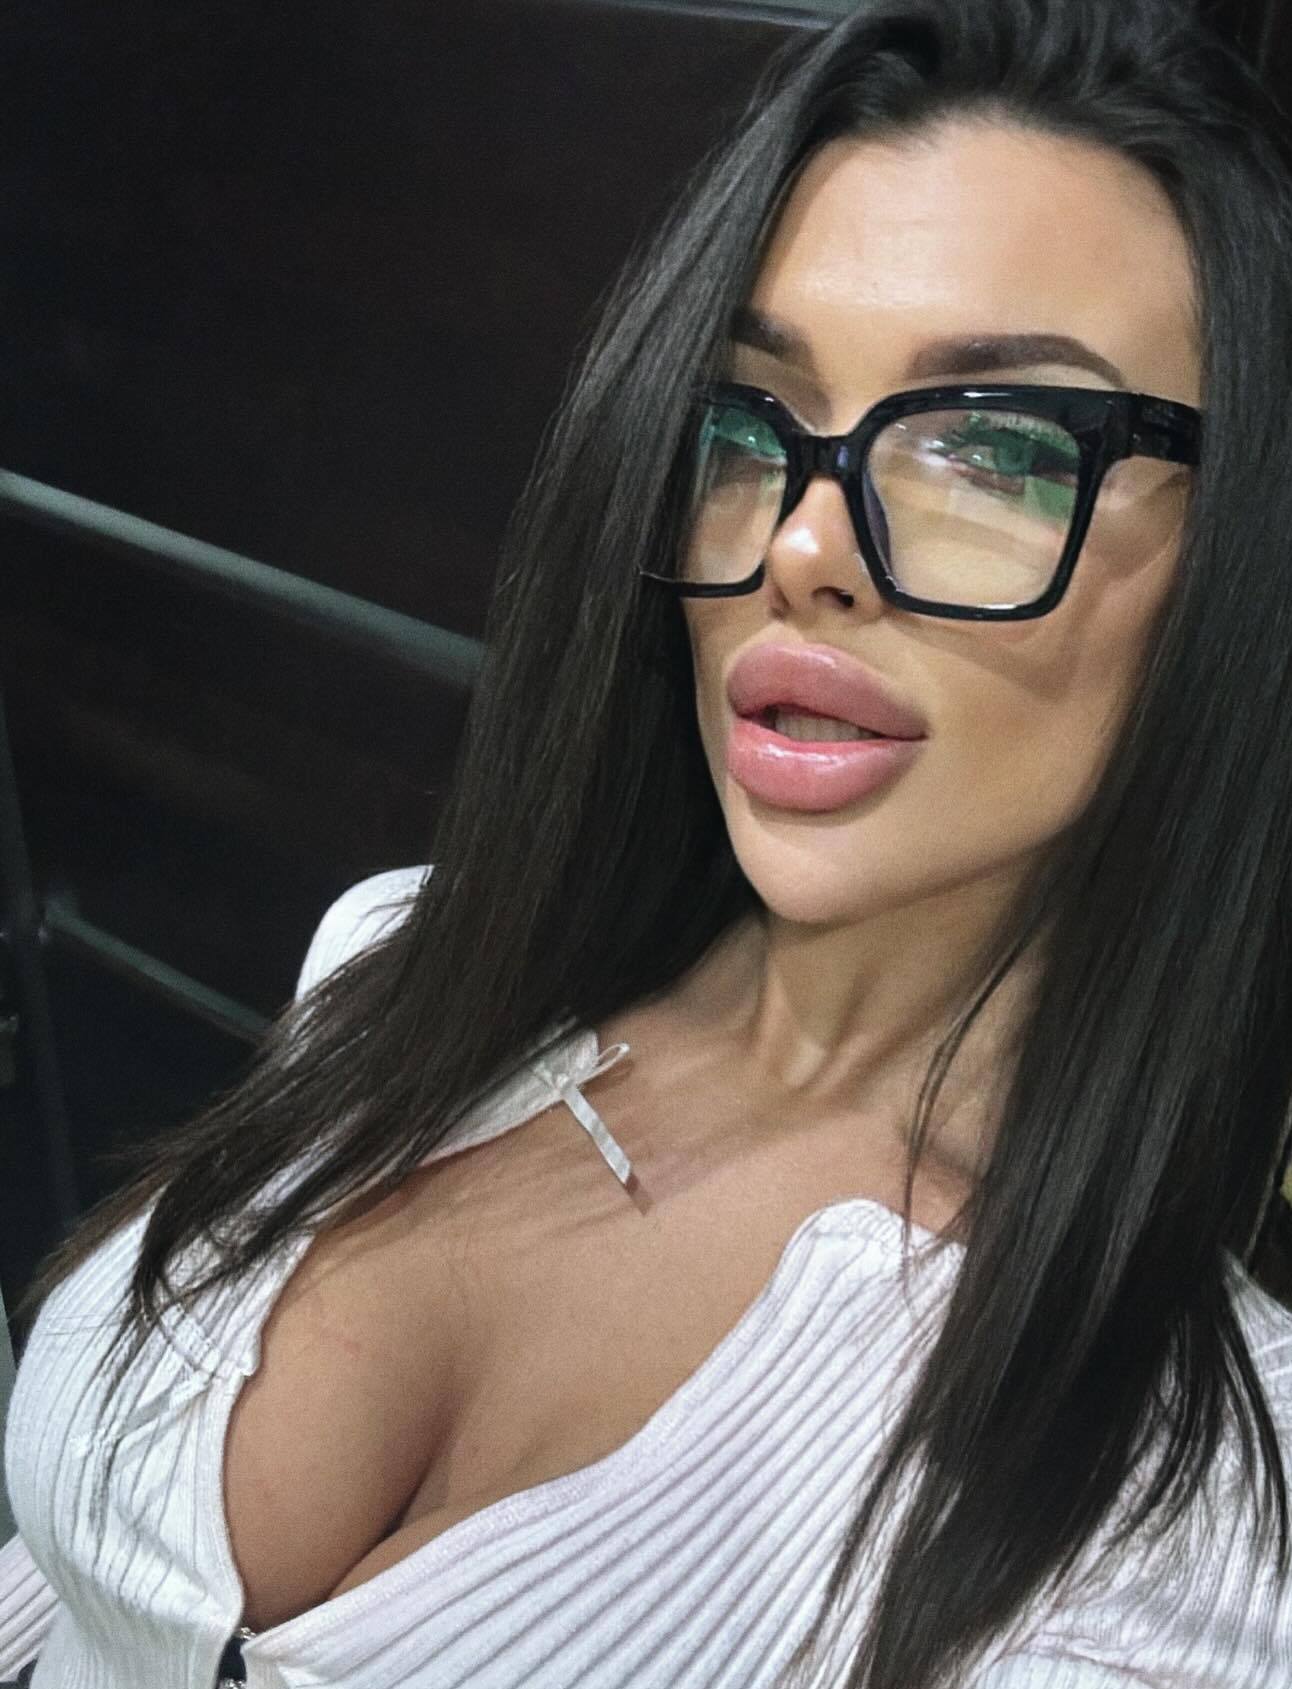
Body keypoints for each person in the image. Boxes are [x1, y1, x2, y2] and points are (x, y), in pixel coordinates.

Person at [4, 0, 1292, 1682]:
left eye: (991, 447)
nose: (804, 544)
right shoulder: (408, 961)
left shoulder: (1199, 1521)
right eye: (751, 419)